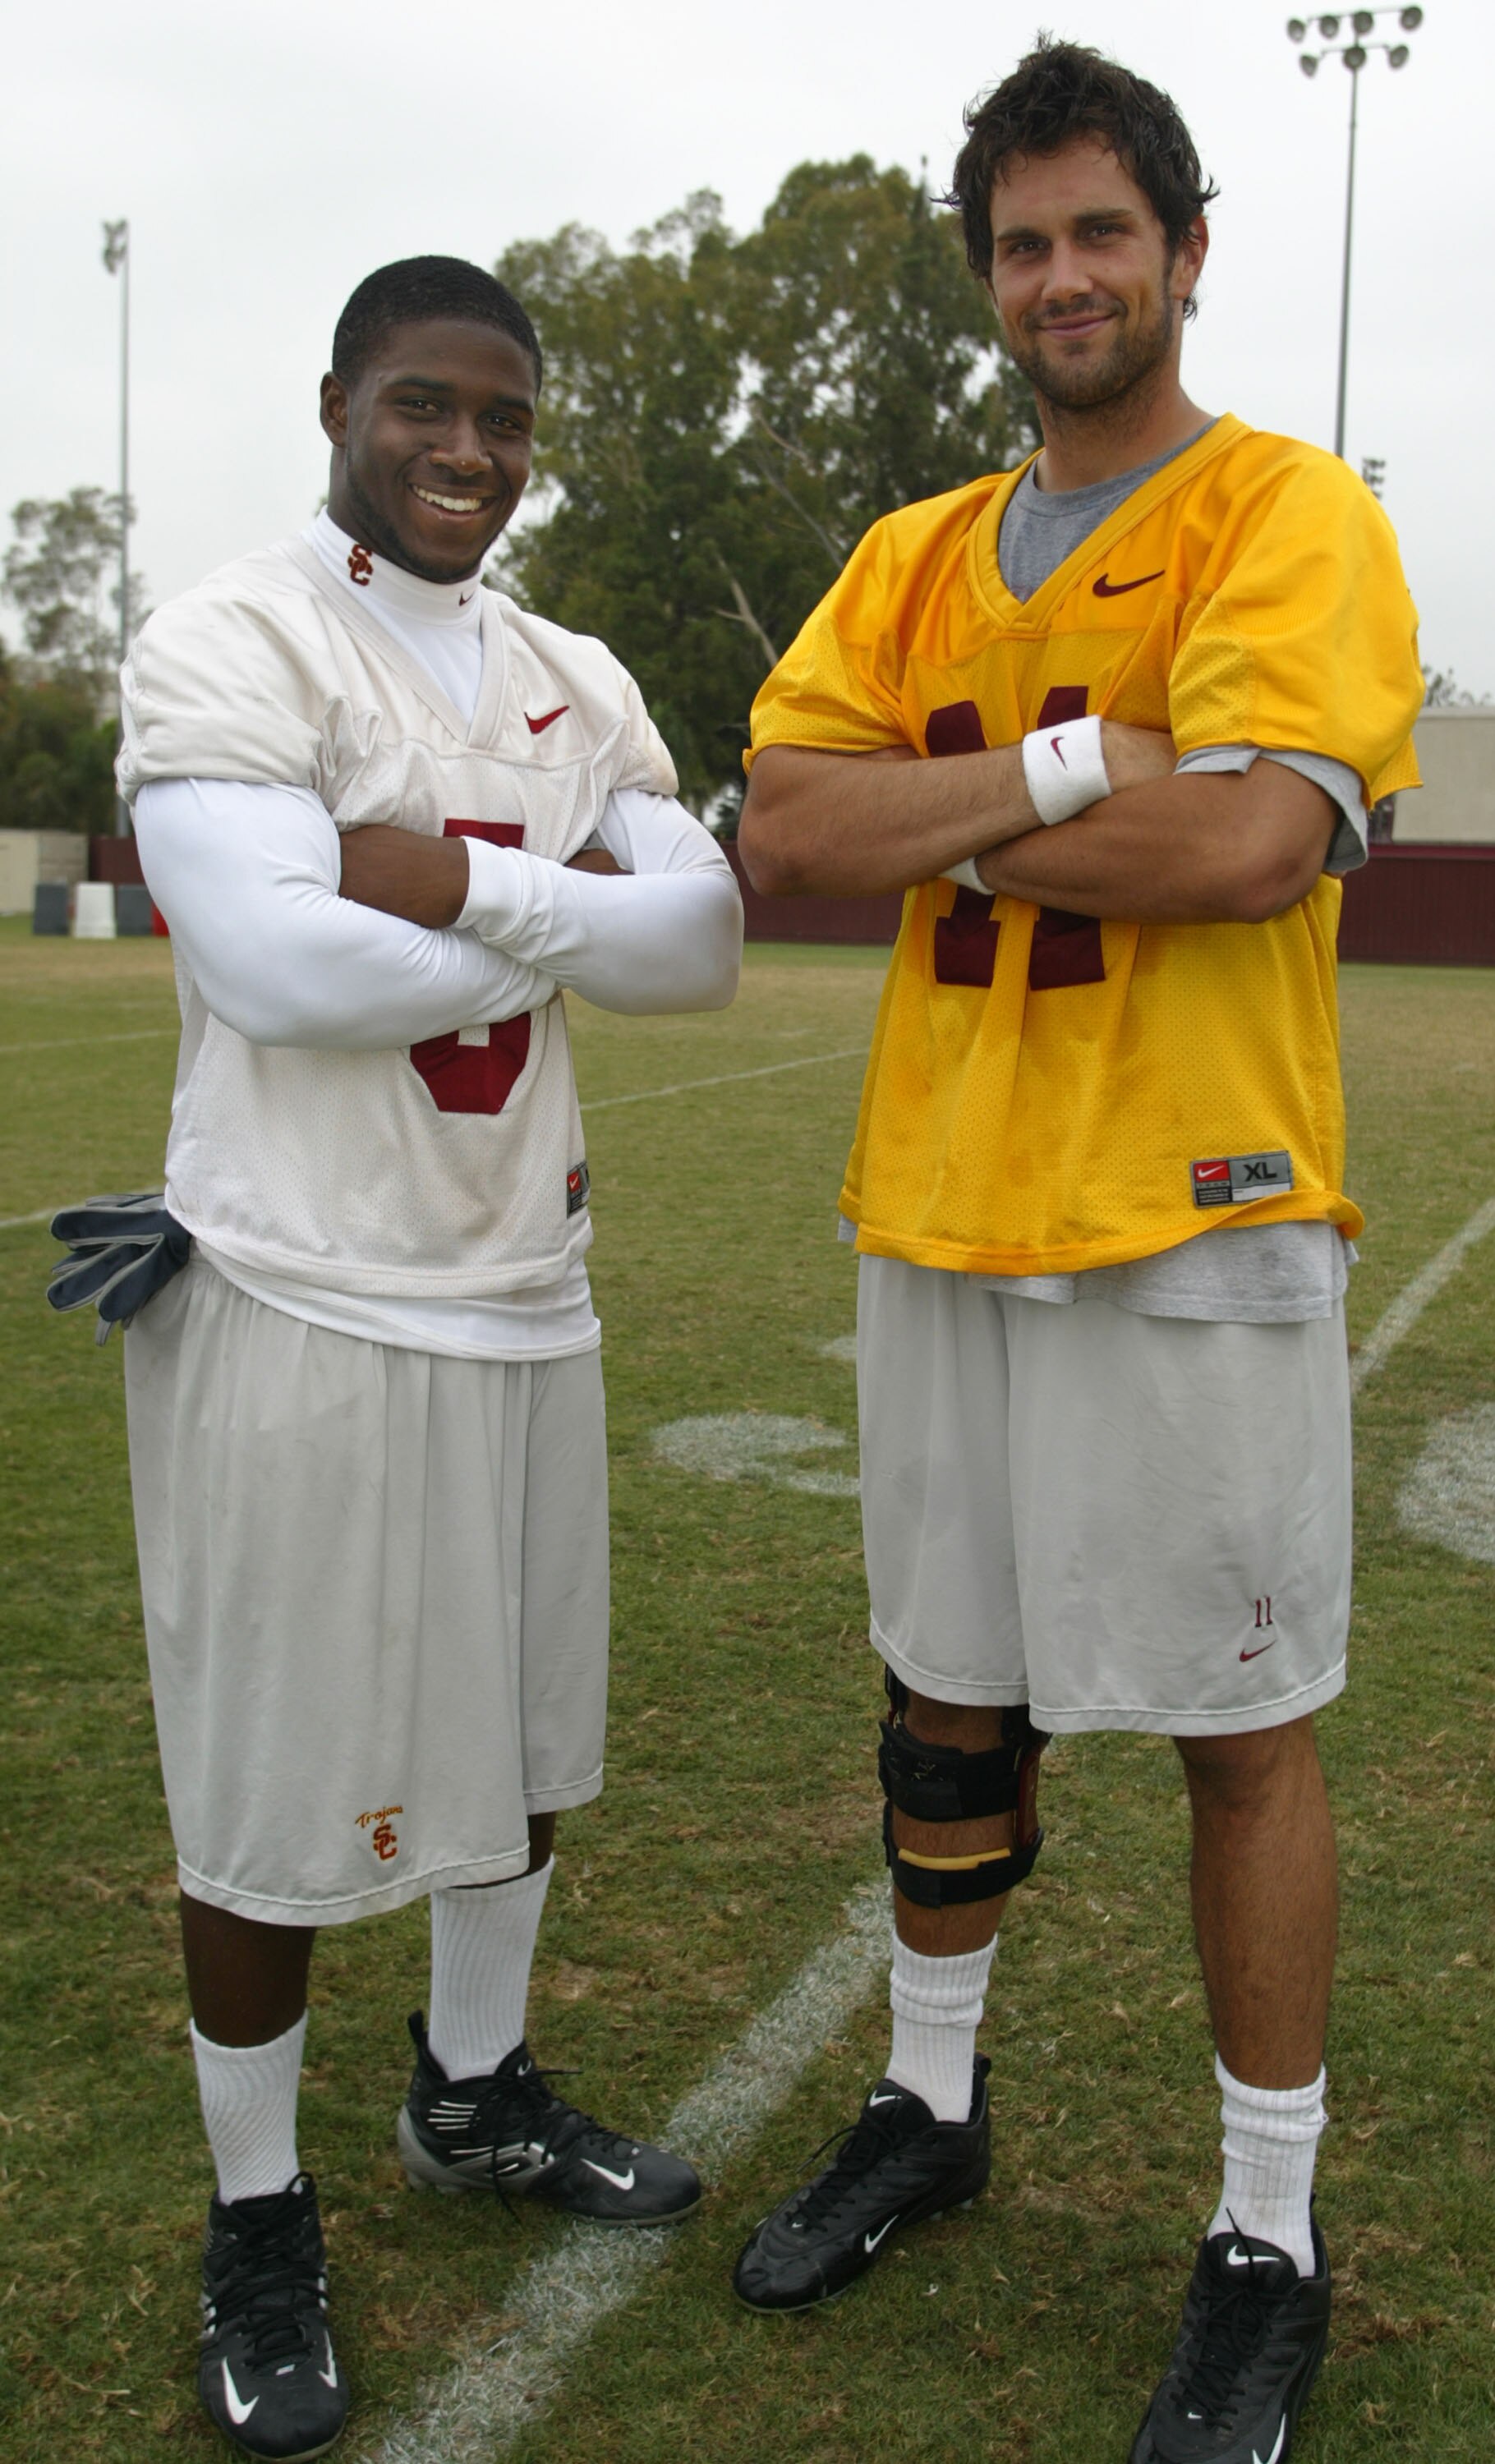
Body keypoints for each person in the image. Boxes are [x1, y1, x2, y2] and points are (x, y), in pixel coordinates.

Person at [731, 41, 1420, 2464]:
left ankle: (1265, 2236)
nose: (1059, 280)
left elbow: (1249, 848)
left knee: (1237, 1729)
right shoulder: (921, 548)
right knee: (942, 1695)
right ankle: (931, 2107)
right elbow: (779, 825)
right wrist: (1047, 779)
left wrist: (932, 832)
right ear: (988, 277)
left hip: (1192, 1212)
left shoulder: (1283, 513)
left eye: (1097, 234)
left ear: (1184, 249)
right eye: (1021, 244)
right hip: (942, 1202)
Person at [113, 255, 742, 2460]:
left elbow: (705, 945)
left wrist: (451, 881)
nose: (463, 450)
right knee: (272, 1795)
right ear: (338, 404)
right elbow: (277, 966)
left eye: (498, 415)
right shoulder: (231, 634)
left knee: (525, 1751)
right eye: (419, 407)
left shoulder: (568, 671)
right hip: (294, 1284)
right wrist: (552, 895)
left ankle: (470, 2095)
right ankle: (257, 2207)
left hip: (521, 1294)